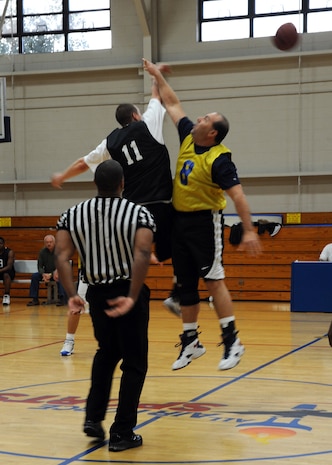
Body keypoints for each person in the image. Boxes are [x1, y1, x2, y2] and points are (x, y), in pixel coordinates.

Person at [143, 58, 262, 371]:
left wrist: (248, 230)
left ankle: (233, 340)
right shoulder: (187, 136)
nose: (198, 117)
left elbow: (238, 196)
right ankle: (191, 342)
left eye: (205, 118)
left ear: (212, 133)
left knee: (213, 281)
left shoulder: (220, 159)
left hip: (204, 222)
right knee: (185, 287)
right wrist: (155, 74)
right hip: (179, 221)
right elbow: (172, 102)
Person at [52, 73, 179, 356]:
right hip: (159, 200)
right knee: (184, 238)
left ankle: (150, 255)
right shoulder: (148, 124)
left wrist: (63, 175)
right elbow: (157, 96)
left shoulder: (110, 142)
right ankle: (177, 290)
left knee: (133, 248)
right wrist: (157, 75)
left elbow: (83, 163)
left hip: (131, 211)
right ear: (135, 115)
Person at [55, 159, 155, 452]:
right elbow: (143, 251)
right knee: (134, 363)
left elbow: (62, 256)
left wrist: (72, 293)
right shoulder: (139, 213)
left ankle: (93, 418)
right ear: (123, 183)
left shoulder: (72, 214)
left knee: (107, 353)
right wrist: (132, 296)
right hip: (127, 290)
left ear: (95, 184)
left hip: (96, 292)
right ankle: (123, 432)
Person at [26, 234, 66, 306]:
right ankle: (35, 299)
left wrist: (51, 274)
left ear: (54, 242)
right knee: (34, 276)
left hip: (57, 273)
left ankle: (61, 299)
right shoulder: (42, 252)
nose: (49, 244)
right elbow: (40, 266)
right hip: (46, 273)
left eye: (50, 242)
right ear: (44, 243)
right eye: (47, 242)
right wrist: (43, 274)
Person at [0, 237, 15, 305]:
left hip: (8, 272)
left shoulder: (9, 252)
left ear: (4, 244)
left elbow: (9, 266)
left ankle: (6, 295)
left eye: (0, 243)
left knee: (6, 274)